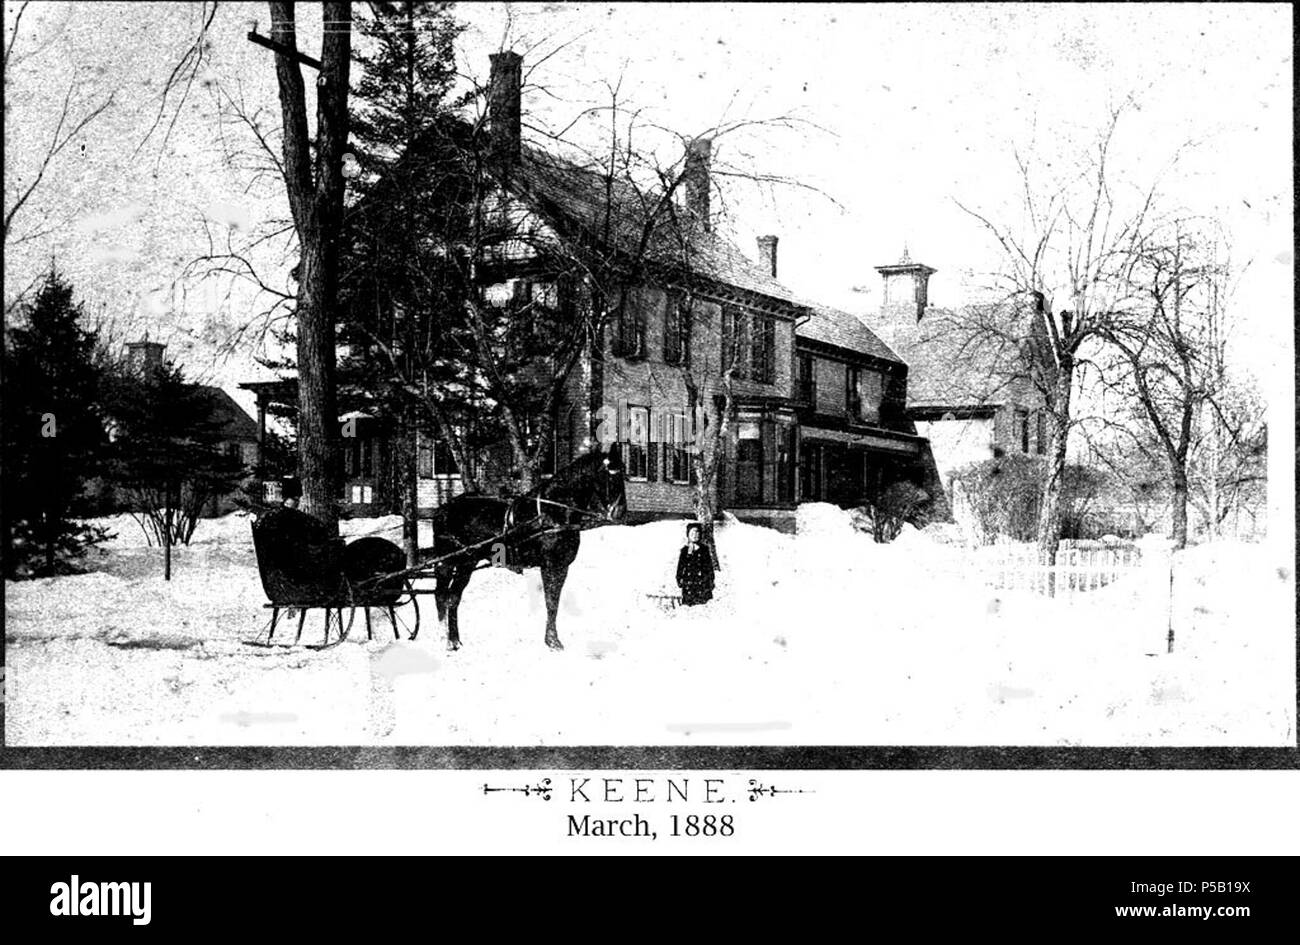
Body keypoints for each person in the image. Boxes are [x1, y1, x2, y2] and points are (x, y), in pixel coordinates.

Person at [676, 522, 715, 606]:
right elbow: (680, 566)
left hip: (701, 584)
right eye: (692, 533)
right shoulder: (685, 550)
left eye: (697, 532)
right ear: (688, 535)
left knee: (702, 605)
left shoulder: (704, 549)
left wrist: (710, 580)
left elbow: (709, 567)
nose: (695, 535)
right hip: (689, 584)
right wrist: (679, 579)